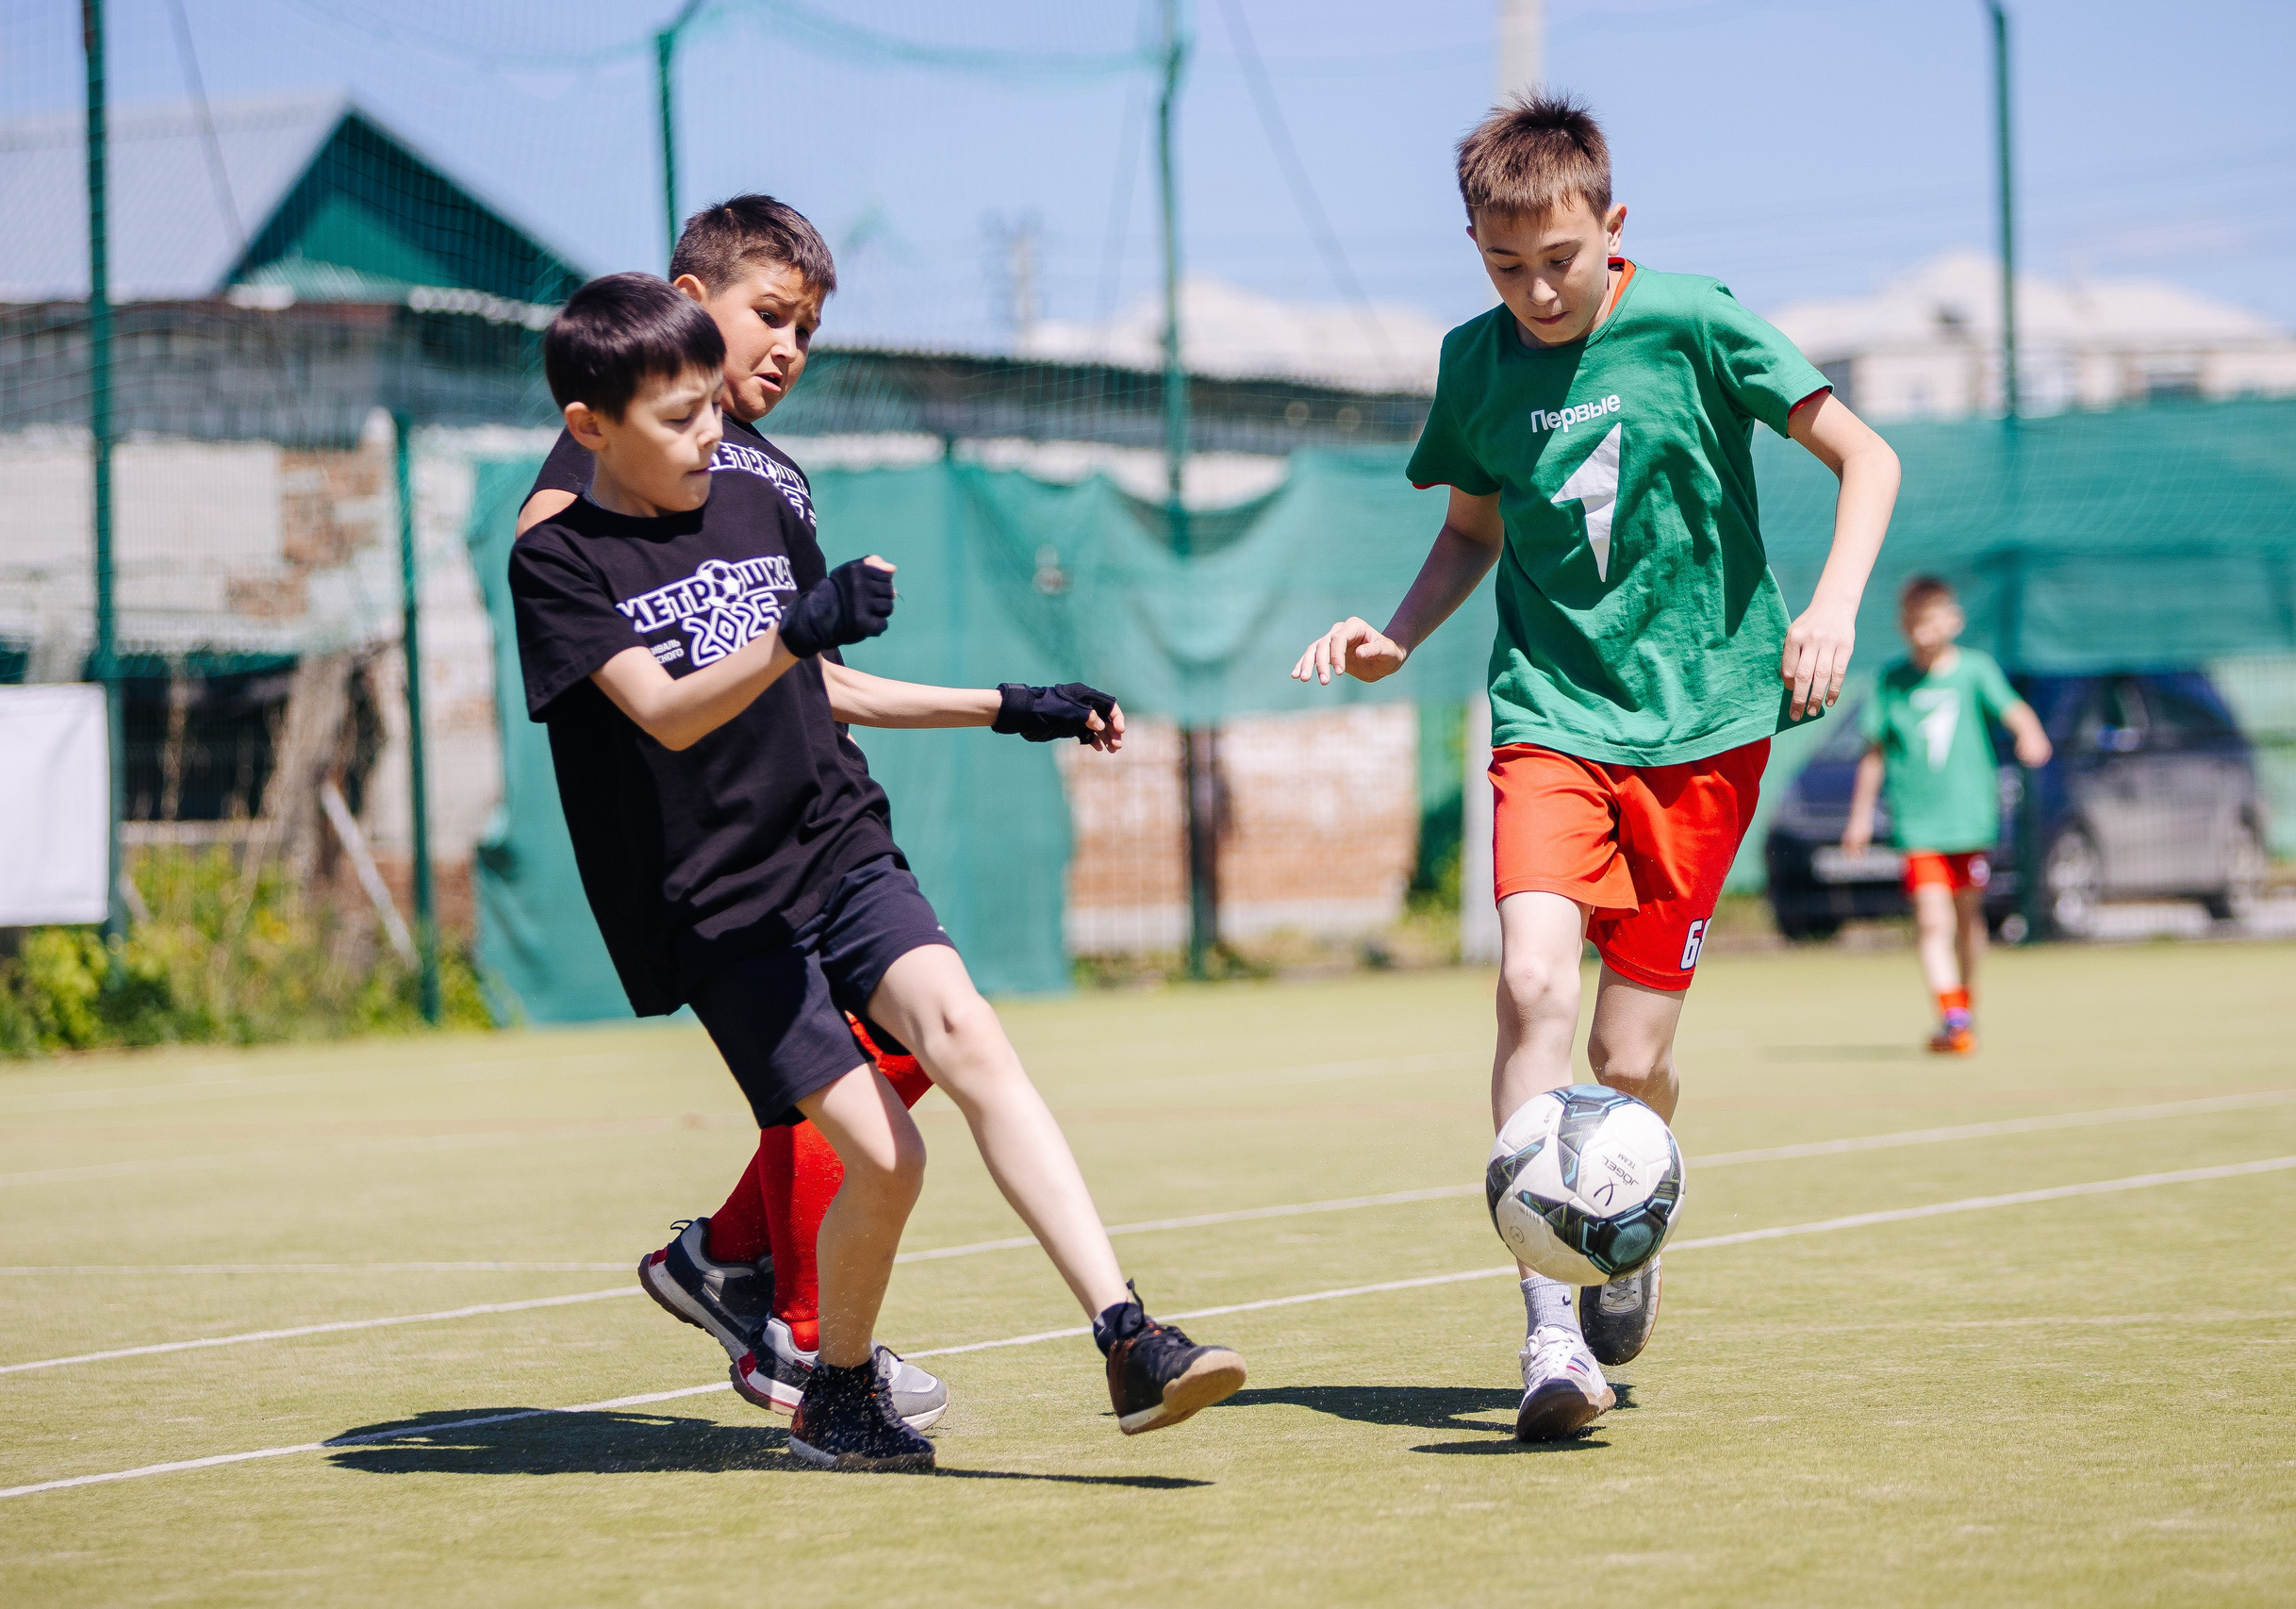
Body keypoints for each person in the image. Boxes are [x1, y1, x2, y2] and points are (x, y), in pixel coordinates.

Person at [511, 271, 1246, 1471]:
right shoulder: (561, 560)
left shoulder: (754, 499)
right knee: (889, 1161)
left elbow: (816, 685)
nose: (713, 435)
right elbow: (668, 712)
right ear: (590, 428)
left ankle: (1128, 1335)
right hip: (727, 909)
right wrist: (794, 629)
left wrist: (1007, 704)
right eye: (679, 418)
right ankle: (836, 1389)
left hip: (840, 840)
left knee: (971, 1039)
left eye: (714, 406)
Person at [1291, 92, 1898, 1443]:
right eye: (1503, 266)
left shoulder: (1696, 320)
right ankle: (1550, 1333)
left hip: (1708, 731)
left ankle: (1634, 1193)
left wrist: (1836, 605)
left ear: (1611, 226)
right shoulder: (1475, 364)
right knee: (1530, 985)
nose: (1535, 288)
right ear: (1474, 249)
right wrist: (1394, 636)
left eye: (1557, 258)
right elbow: (1468, 533)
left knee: (1631, 1061)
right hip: (1551, 716)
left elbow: (1869, 457)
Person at [1841, 575, 2052, 1054]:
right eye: (1914, 621)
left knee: (1968, 920)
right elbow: (1873, 754)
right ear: (1903, 625)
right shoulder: (1891, 683)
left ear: (1952, 620)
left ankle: (1964, 1008)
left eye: (1931, 619)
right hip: (1919, 825)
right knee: (1933, 922)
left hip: (1970, 820)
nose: (1922, 630)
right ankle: (1953, 1016)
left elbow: (2014, 709)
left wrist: (2030, 732)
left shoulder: (1974, 671)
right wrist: (1860, 817)